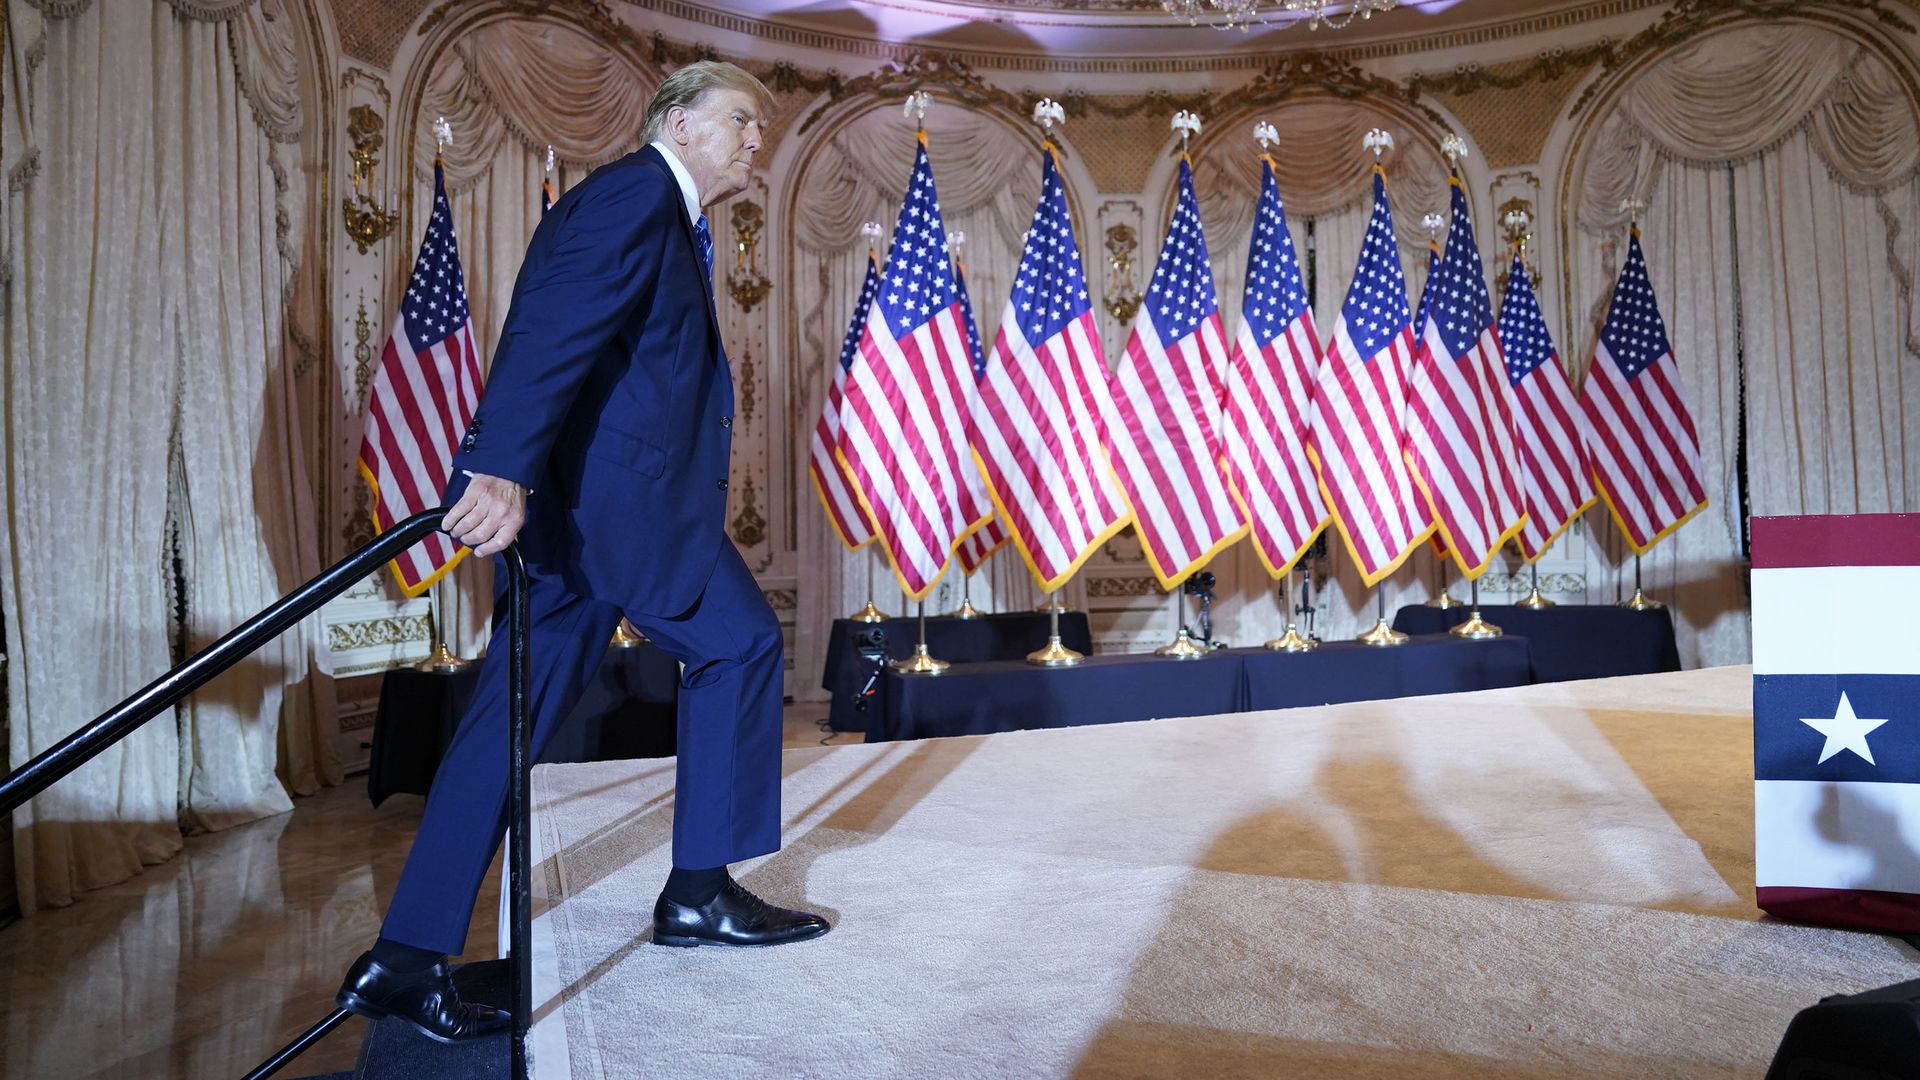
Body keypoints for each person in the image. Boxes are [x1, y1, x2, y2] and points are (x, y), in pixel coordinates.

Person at [337, 61, 827, 1044]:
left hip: (581, 514)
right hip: (624, 508)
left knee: (505, 717)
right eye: (740, 119)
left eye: (760, 127)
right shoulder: (640, 193)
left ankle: (406, 954)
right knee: (739, 644)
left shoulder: (640, 203)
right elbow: (552, 326)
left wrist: (520, 471)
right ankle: (698, 893)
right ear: (679, 122)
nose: (754, 140)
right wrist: (499, 466)